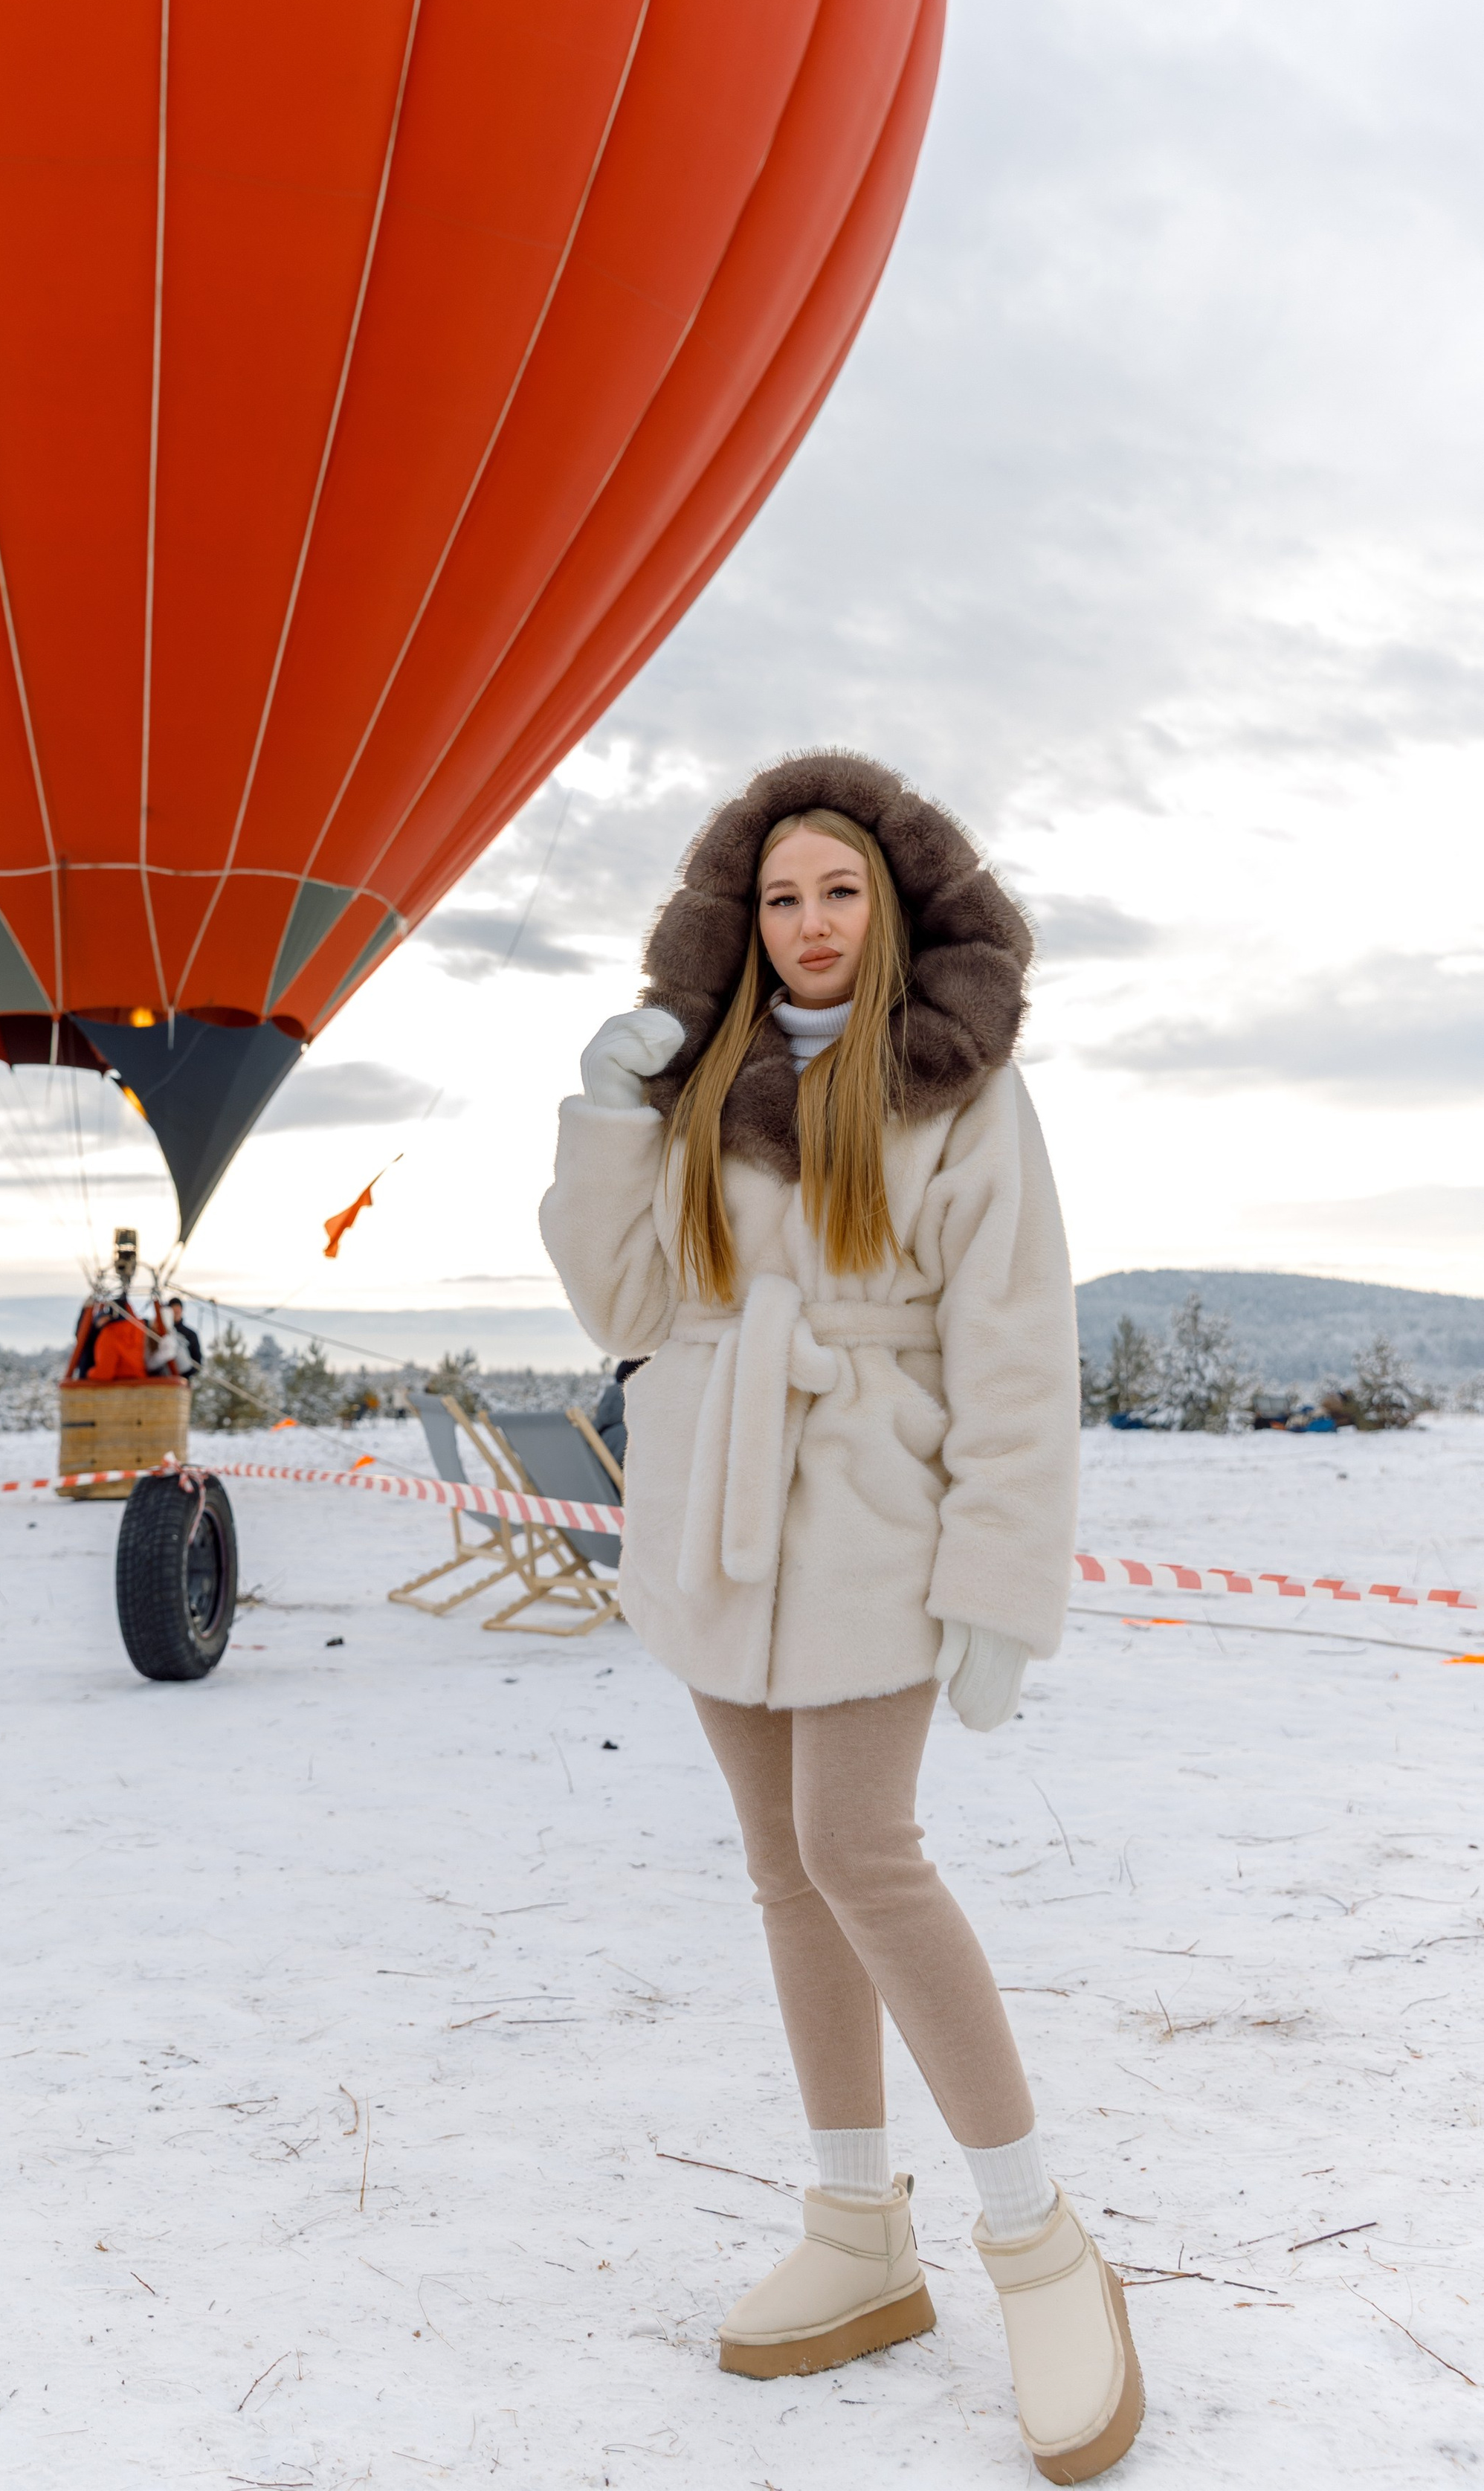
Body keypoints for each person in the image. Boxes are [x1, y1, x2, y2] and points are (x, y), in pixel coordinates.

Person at [539, 751, 1142, 2485]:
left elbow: (1016, 1351)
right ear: (745, 918)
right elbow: (623, 1298)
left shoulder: (960, 1088)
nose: (807, 924)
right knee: (781, 1863)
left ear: (891, 912)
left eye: (840, 893)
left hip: (875, 1507)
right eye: (780, 896)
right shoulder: (701, 1078)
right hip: (712, 1512)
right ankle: (851, 2224)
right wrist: (603, 1113)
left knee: (860, 1849)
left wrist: (1000, 1583)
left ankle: (1034, 2243)